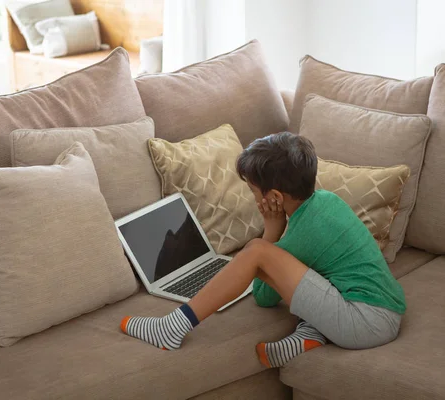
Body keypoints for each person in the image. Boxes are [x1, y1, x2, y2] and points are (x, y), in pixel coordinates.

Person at [120, 132, 406, 368]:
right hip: (382, 312)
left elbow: (264, 297)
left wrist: (272, 230)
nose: (253, 196)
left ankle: (172, 327)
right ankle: (311, 334)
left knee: (257, 251)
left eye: (253, 190)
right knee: (299, 265)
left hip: (367, 323)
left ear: (275, 198)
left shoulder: (303, 231)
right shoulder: (324, 202)